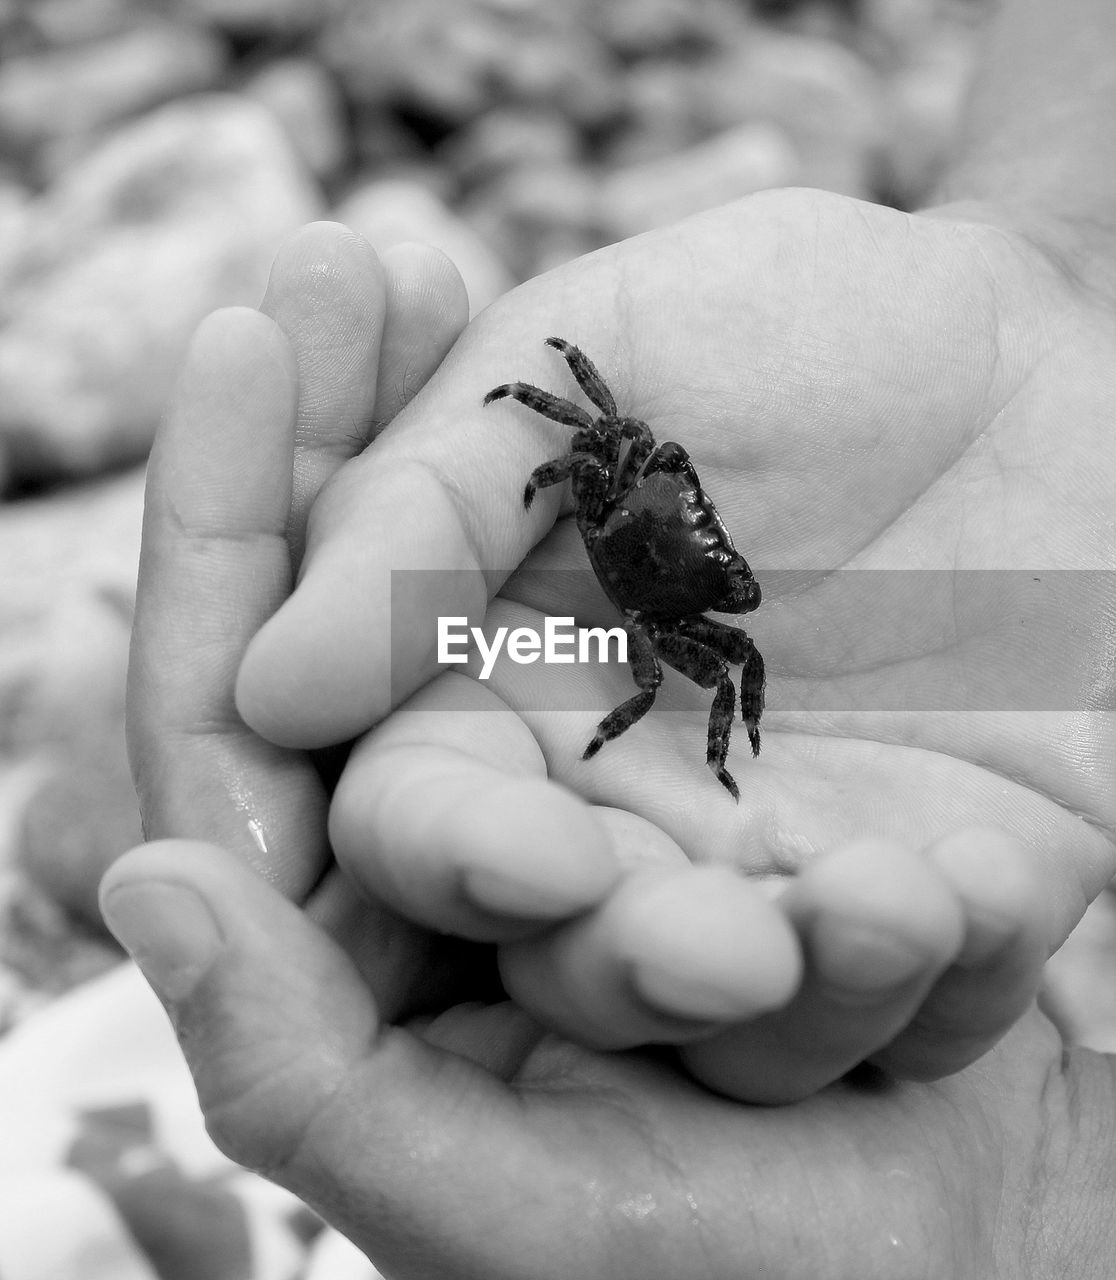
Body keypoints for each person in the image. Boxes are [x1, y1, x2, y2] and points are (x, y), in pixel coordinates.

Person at [103, 0, 1116, 1275]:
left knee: (706, 677)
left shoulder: (668, 584)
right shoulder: (626, 465)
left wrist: (1066, 1200)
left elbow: (708, 645)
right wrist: (1070, 267)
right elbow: (575, 407)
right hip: (636, 585)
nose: (672, 486)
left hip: (640, 601)